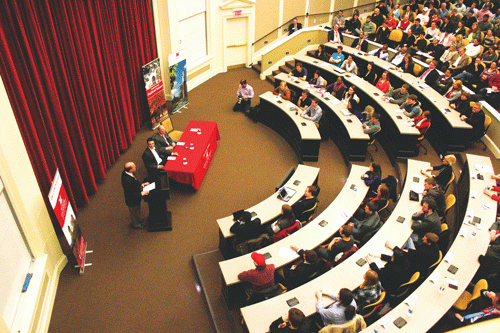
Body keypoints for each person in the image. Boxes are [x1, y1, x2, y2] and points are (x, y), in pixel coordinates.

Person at [121, 162, 149, 229]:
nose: (135, 166)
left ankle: (138, 219)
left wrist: (141, 184)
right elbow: (131, 194)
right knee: (134, 212)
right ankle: (136, 224)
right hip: (131, 200)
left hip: (136, 197)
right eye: (134, 166)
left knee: (137, 209)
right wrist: (142, 193)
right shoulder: (127, 180)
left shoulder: (129, 172)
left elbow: (135, 181)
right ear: (130, 169)